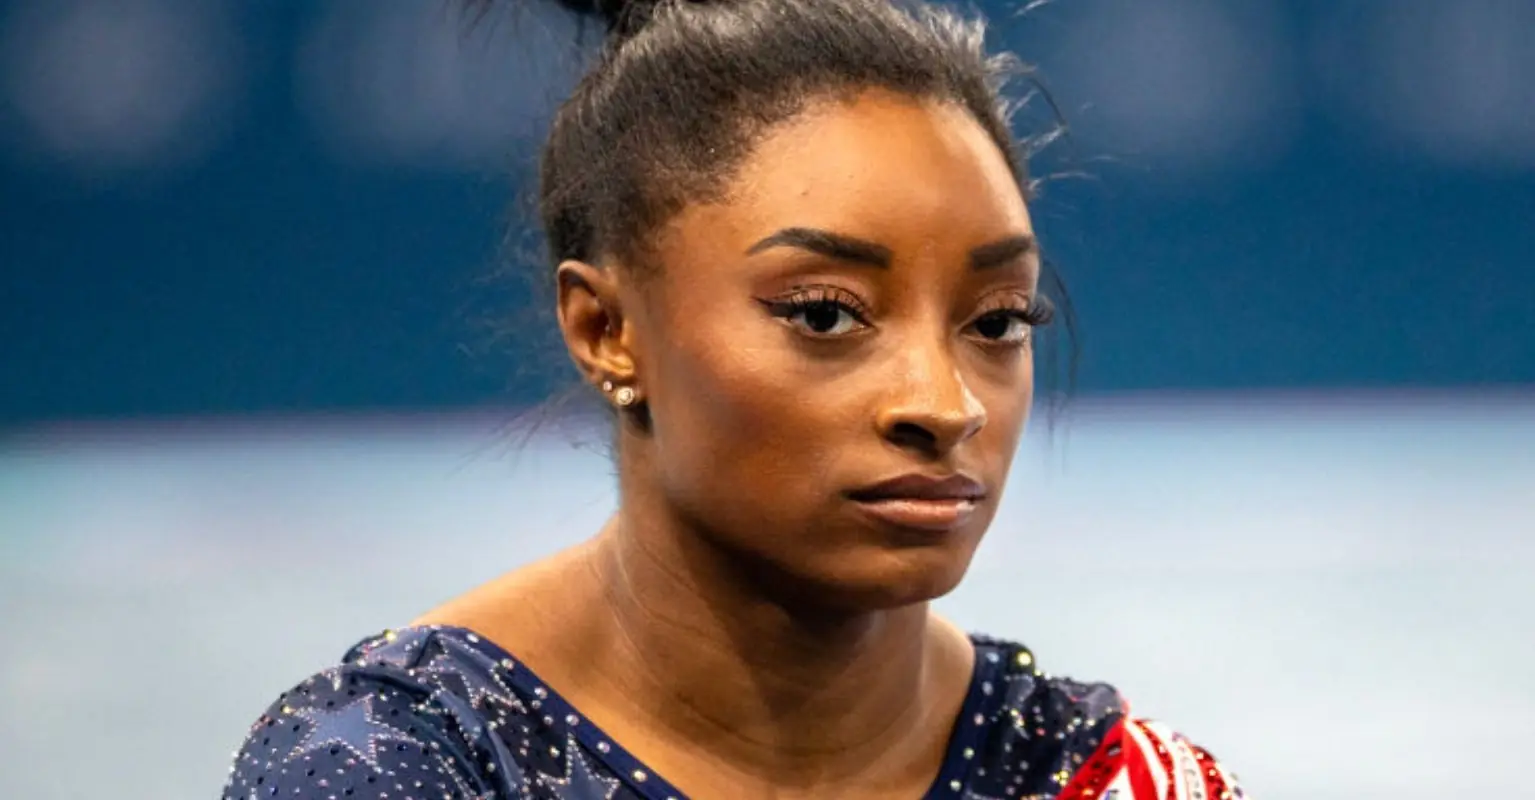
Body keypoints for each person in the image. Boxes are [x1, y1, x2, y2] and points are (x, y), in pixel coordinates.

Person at [225, 0, 1248, 797]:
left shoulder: (1104, 776)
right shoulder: (396, 764)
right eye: (821, 313)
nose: (944, 403)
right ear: (605, 330)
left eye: (994, 322)